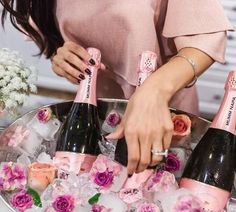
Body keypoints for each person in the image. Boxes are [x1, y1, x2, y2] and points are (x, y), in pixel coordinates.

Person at [1, 0, 234, 175]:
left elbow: (204, 40)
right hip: (99, 117)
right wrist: (60, 55)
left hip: (162, 114)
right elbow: (49, 26)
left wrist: (153, 92)